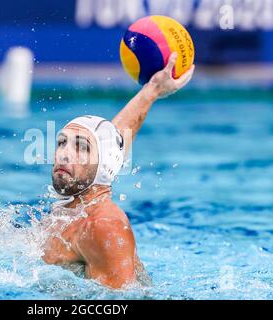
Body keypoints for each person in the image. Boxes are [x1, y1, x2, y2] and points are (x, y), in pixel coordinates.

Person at [42, 53, 195, 289]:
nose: (64, 153)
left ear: (104, 167)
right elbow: (115, 139)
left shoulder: (103, 226)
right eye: (62, 142)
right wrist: (152, 89)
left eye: (81, 147)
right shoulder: (74, 203)